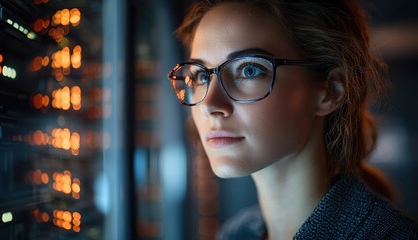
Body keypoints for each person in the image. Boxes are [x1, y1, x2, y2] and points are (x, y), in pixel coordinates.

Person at [167, 0, 418, 239]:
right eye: (200, 76)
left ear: (331, 90)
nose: (210, 105)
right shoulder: (234, 234)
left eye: (249, 70)